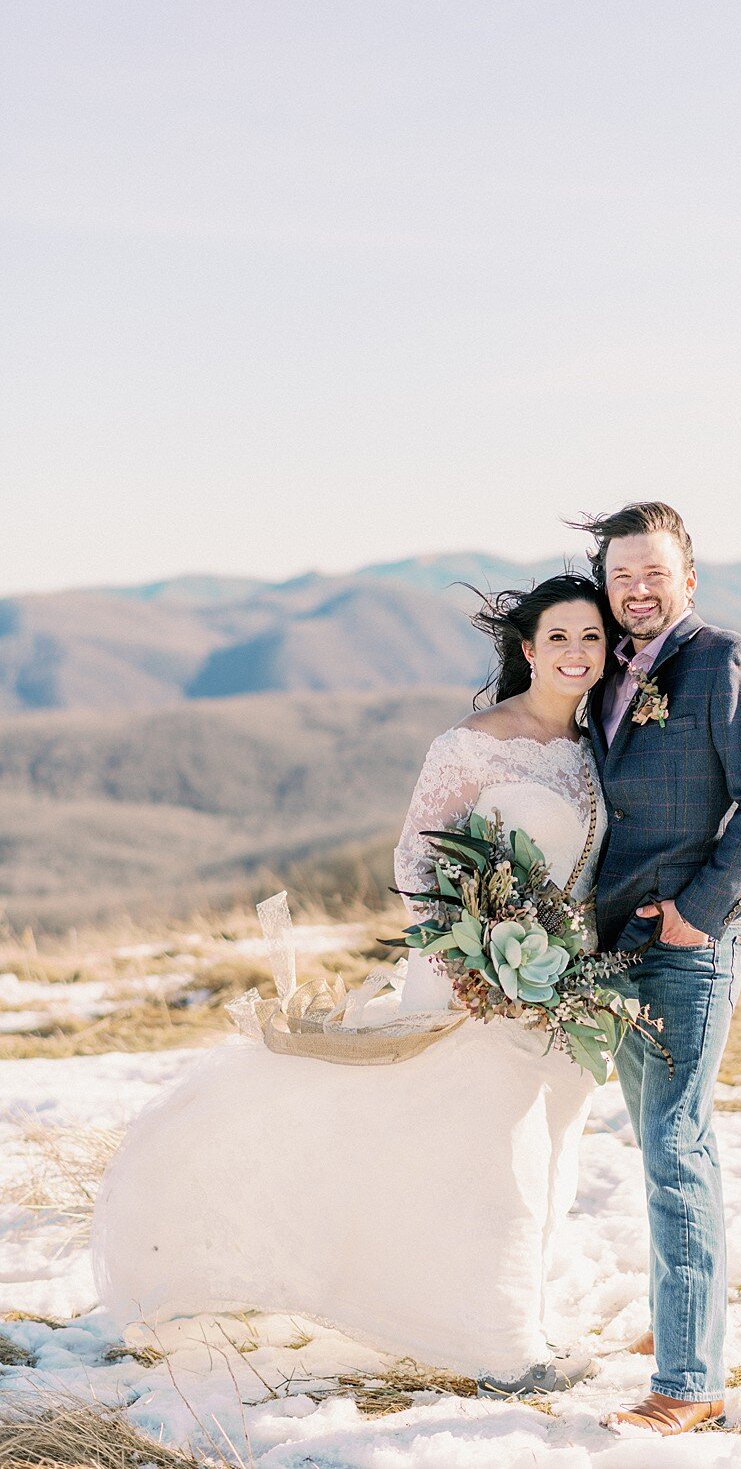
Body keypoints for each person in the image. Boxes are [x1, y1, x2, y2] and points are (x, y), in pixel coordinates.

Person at [92, 573, 609, 1397]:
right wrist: (471, 960)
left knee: (549, 1151)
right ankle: (504, 1347)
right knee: (486, 1161)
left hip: (565, 988)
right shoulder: (472, 744)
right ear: (526, 649)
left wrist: (569, 966)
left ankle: (521, 1311)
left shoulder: (596, 748)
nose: (577, 654)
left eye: (592, 638)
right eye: (559, 638)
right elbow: (417, 861)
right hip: (473, 987)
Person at [573, 502, 741, 1437]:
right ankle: (683, 1321)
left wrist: (698, 918)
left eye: (654, 574)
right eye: (622, 576)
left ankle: (690, 1380)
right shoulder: (604, 672)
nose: (637, 590)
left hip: (687, 945)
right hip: (609, 946)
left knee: (676, 1150)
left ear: (688, 579)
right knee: (655, 1142)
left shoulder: (727, 661)